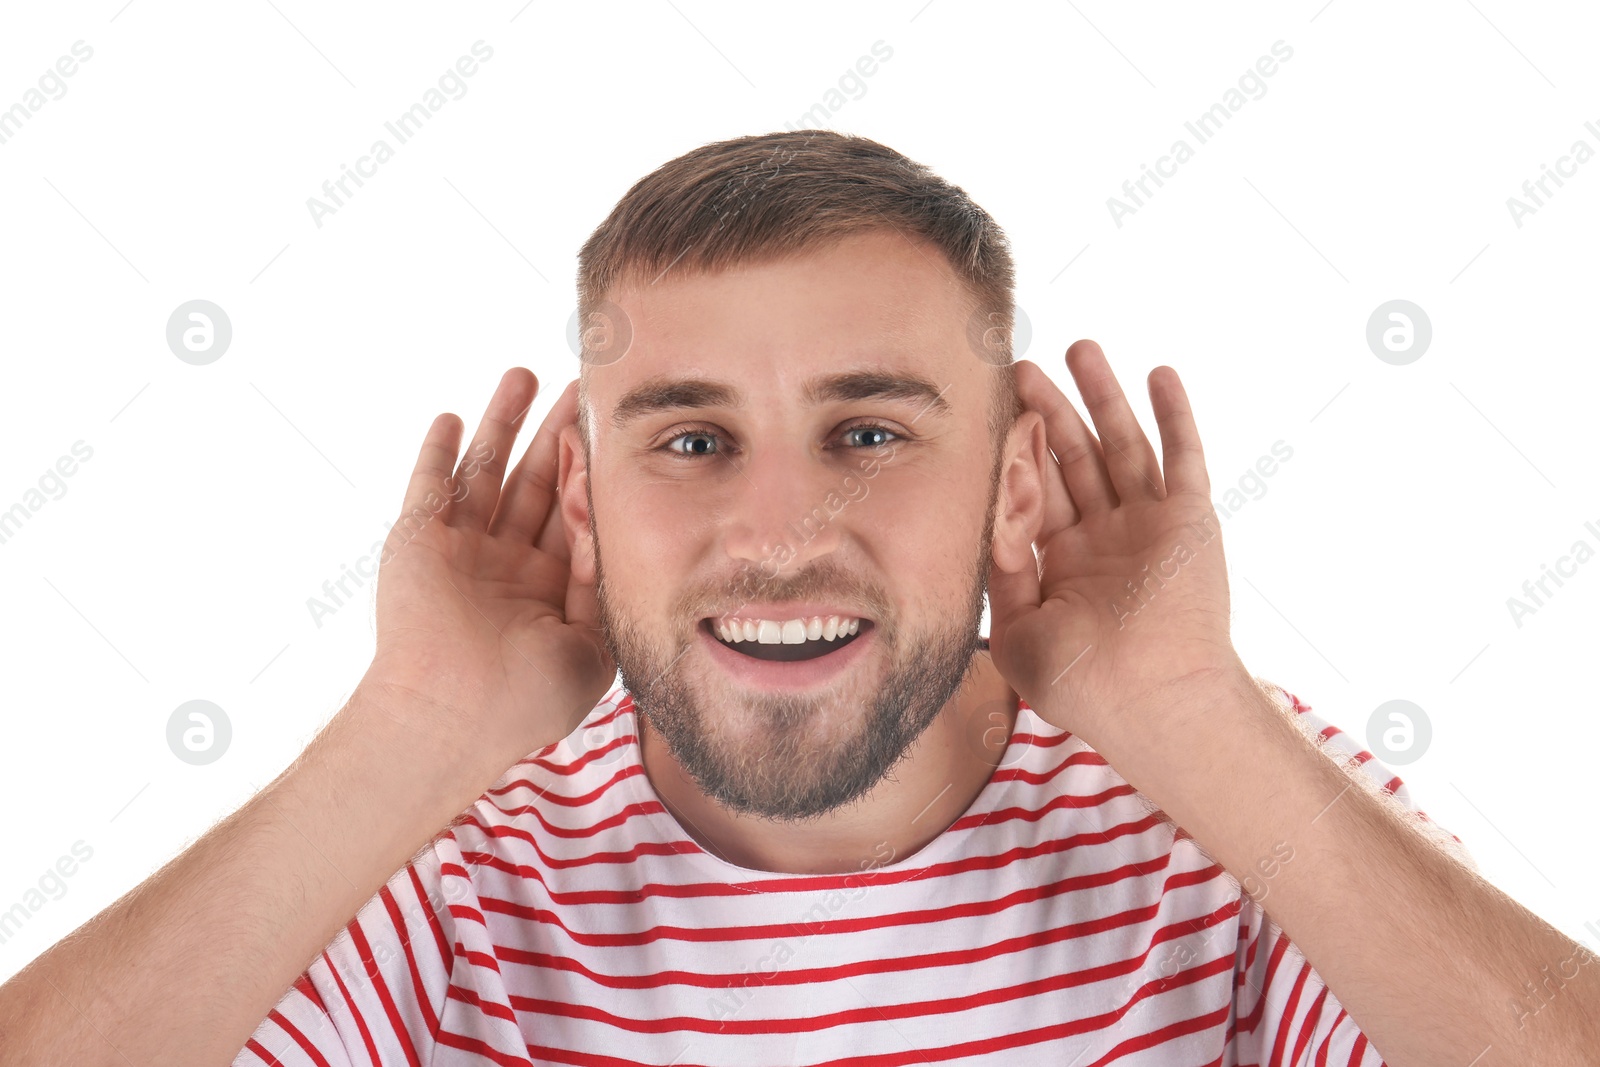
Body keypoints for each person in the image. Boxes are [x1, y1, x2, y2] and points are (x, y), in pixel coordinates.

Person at [2, 131, 1594, 1067]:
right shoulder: (449, 868)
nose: (778, 533)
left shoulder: (1226, 804)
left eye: (871, 433)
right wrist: (411, 731)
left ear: (1015, 476)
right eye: (691, 439)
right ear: (584, 493)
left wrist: (1185, 710)